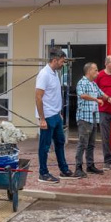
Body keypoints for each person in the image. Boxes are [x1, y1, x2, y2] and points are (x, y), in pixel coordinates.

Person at [36, 47, 79, 183]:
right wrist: (42, 118)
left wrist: (59, 112)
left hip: (55, 115)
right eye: (62, 61)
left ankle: (64, 170)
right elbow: (38, 97)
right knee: (45, 146)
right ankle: (43, 173)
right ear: (54, 60)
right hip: (47, 116)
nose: (63, 64)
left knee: (60, 142)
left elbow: (54, 95)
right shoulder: (44, 74)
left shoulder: (55, 73)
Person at [74, 62, 111, 178]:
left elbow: (101, 93)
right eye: (95, 70)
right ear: (89, 71)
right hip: (84, 118)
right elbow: (83, 95)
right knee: (82, 144)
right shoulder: (82, 83)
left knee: (91, 144)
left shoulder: (93, 84)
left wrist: (108, 98)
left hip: (93, 118)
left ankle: (90, 165)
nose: (97, 72)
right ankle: (78, 168)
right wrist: (96, 100)